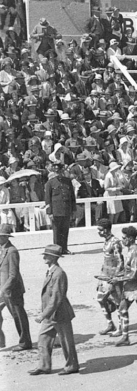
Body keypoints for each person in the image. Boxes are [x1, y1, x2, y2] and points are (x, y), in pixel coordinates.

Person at [29, 244, 79, 375]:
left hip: (60, 313)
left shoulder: (59, 273)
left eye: (47, 255)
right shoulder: (51, 271)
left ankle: (72, 366)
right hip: (51, 314)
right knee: (43, 338)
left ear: (54, 257)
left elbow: (56, 298)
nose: (44, 257)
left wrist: (42, 315)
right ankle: (44, 365)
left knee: (66, 341)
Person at [109, 226, 137, 347]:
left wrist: (118, 279)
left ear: (130, 238)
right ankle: (125, 337)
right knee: (122, 309)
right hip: (129, 286)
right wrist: (115, 276)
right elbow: (128, 271)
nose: (122, 240)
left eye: (124, 238)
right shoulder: (130, 250)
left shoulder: (136, 252)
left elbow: (134, 274)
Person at [0, 224, 31, 351]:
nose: (0, 238)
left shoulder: (12, 251)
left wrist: (4, 289)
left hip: (12, 290)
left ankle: (25, 343)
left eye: (2, 236)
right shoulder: (1, 249)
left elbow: (13, 275)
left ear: (7, 237)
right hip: (2, 289)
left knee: (18, 316)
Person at [95, 218, 123, 336]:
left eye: (100, 230)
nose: (99, 232)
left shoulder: (115, 242)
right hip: (105, 275)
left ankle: (121, 327)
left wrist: (115, 277)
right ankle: (110, 324)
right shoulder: (107, 241)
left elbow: (120, 261)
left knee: (118, 302)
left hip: (112, 276)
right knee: (101, 299)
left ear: (106, 230)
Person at [44, 161, 76, 254]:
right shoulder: (50, 183)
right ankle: (57, 250)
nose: (58, 173)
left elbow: (72, 197)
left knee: (65, 230)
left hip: (66, 209)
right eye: (56, 171)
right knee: (57, 231)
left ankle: (64, 249)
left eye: (60, 170)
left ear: (62, 170)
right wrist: (49, 212)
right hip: (56, 210)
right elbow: (47, 199)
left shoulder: (68, 181)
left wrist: (73, 209)